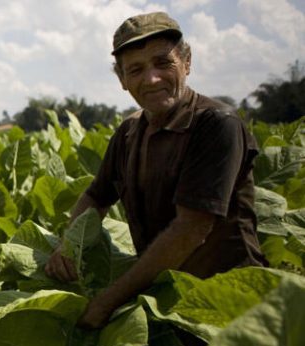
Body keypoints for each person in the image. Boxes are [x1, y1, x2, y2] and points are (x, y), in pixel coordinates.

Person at [44, 12, 266, 329]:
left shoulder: (217, 124)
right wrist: (68, 247)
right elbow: (96, 196)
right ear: (122, 80)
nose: (151, 79)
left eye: (163, 63)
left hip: (228, 304)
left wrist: (107, 301)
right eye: (136, 69)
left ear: (186, 62)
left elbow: (190, 229)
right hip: (167, 301)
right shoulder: (129, 132)